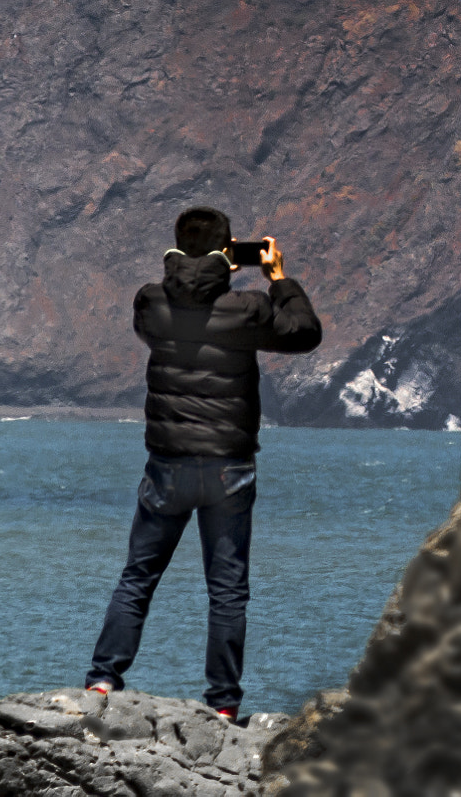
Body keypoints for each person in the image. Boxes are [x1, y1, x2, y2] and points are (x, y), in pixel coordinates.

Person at [83, 206, 322, 719]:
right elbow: (304, 333)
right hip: (227, 468)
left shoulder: (150, 303)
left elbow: (169, 317)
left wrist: (209, 274)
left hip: (167, 465)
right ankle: (223, 707)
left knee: (138, 577)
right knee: (227, 589)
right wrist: (278, 278)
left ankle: (103, 681)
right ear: (226, 251)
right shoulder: (248, 308)